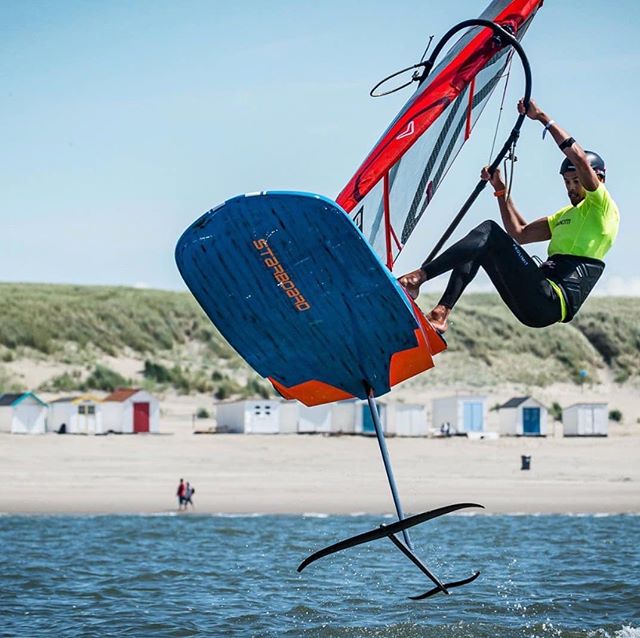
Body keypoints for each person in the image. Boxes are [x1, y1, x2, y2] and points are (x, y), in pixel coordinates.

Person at [398, 98, 619, 333]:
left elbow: (579, 159)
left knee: (489, 232)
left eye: (576, 181)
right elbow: (520, 233)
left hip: (550, 300)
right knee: (479, 246)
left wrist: (542, 117)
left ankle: (418, 278)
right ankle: (441, 313)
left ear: (599, 179)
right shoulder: (565, 215)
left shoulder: (601, 206)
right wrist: (500, 191)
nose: (571, 188)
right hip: (533, 302)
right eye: (567, 182)